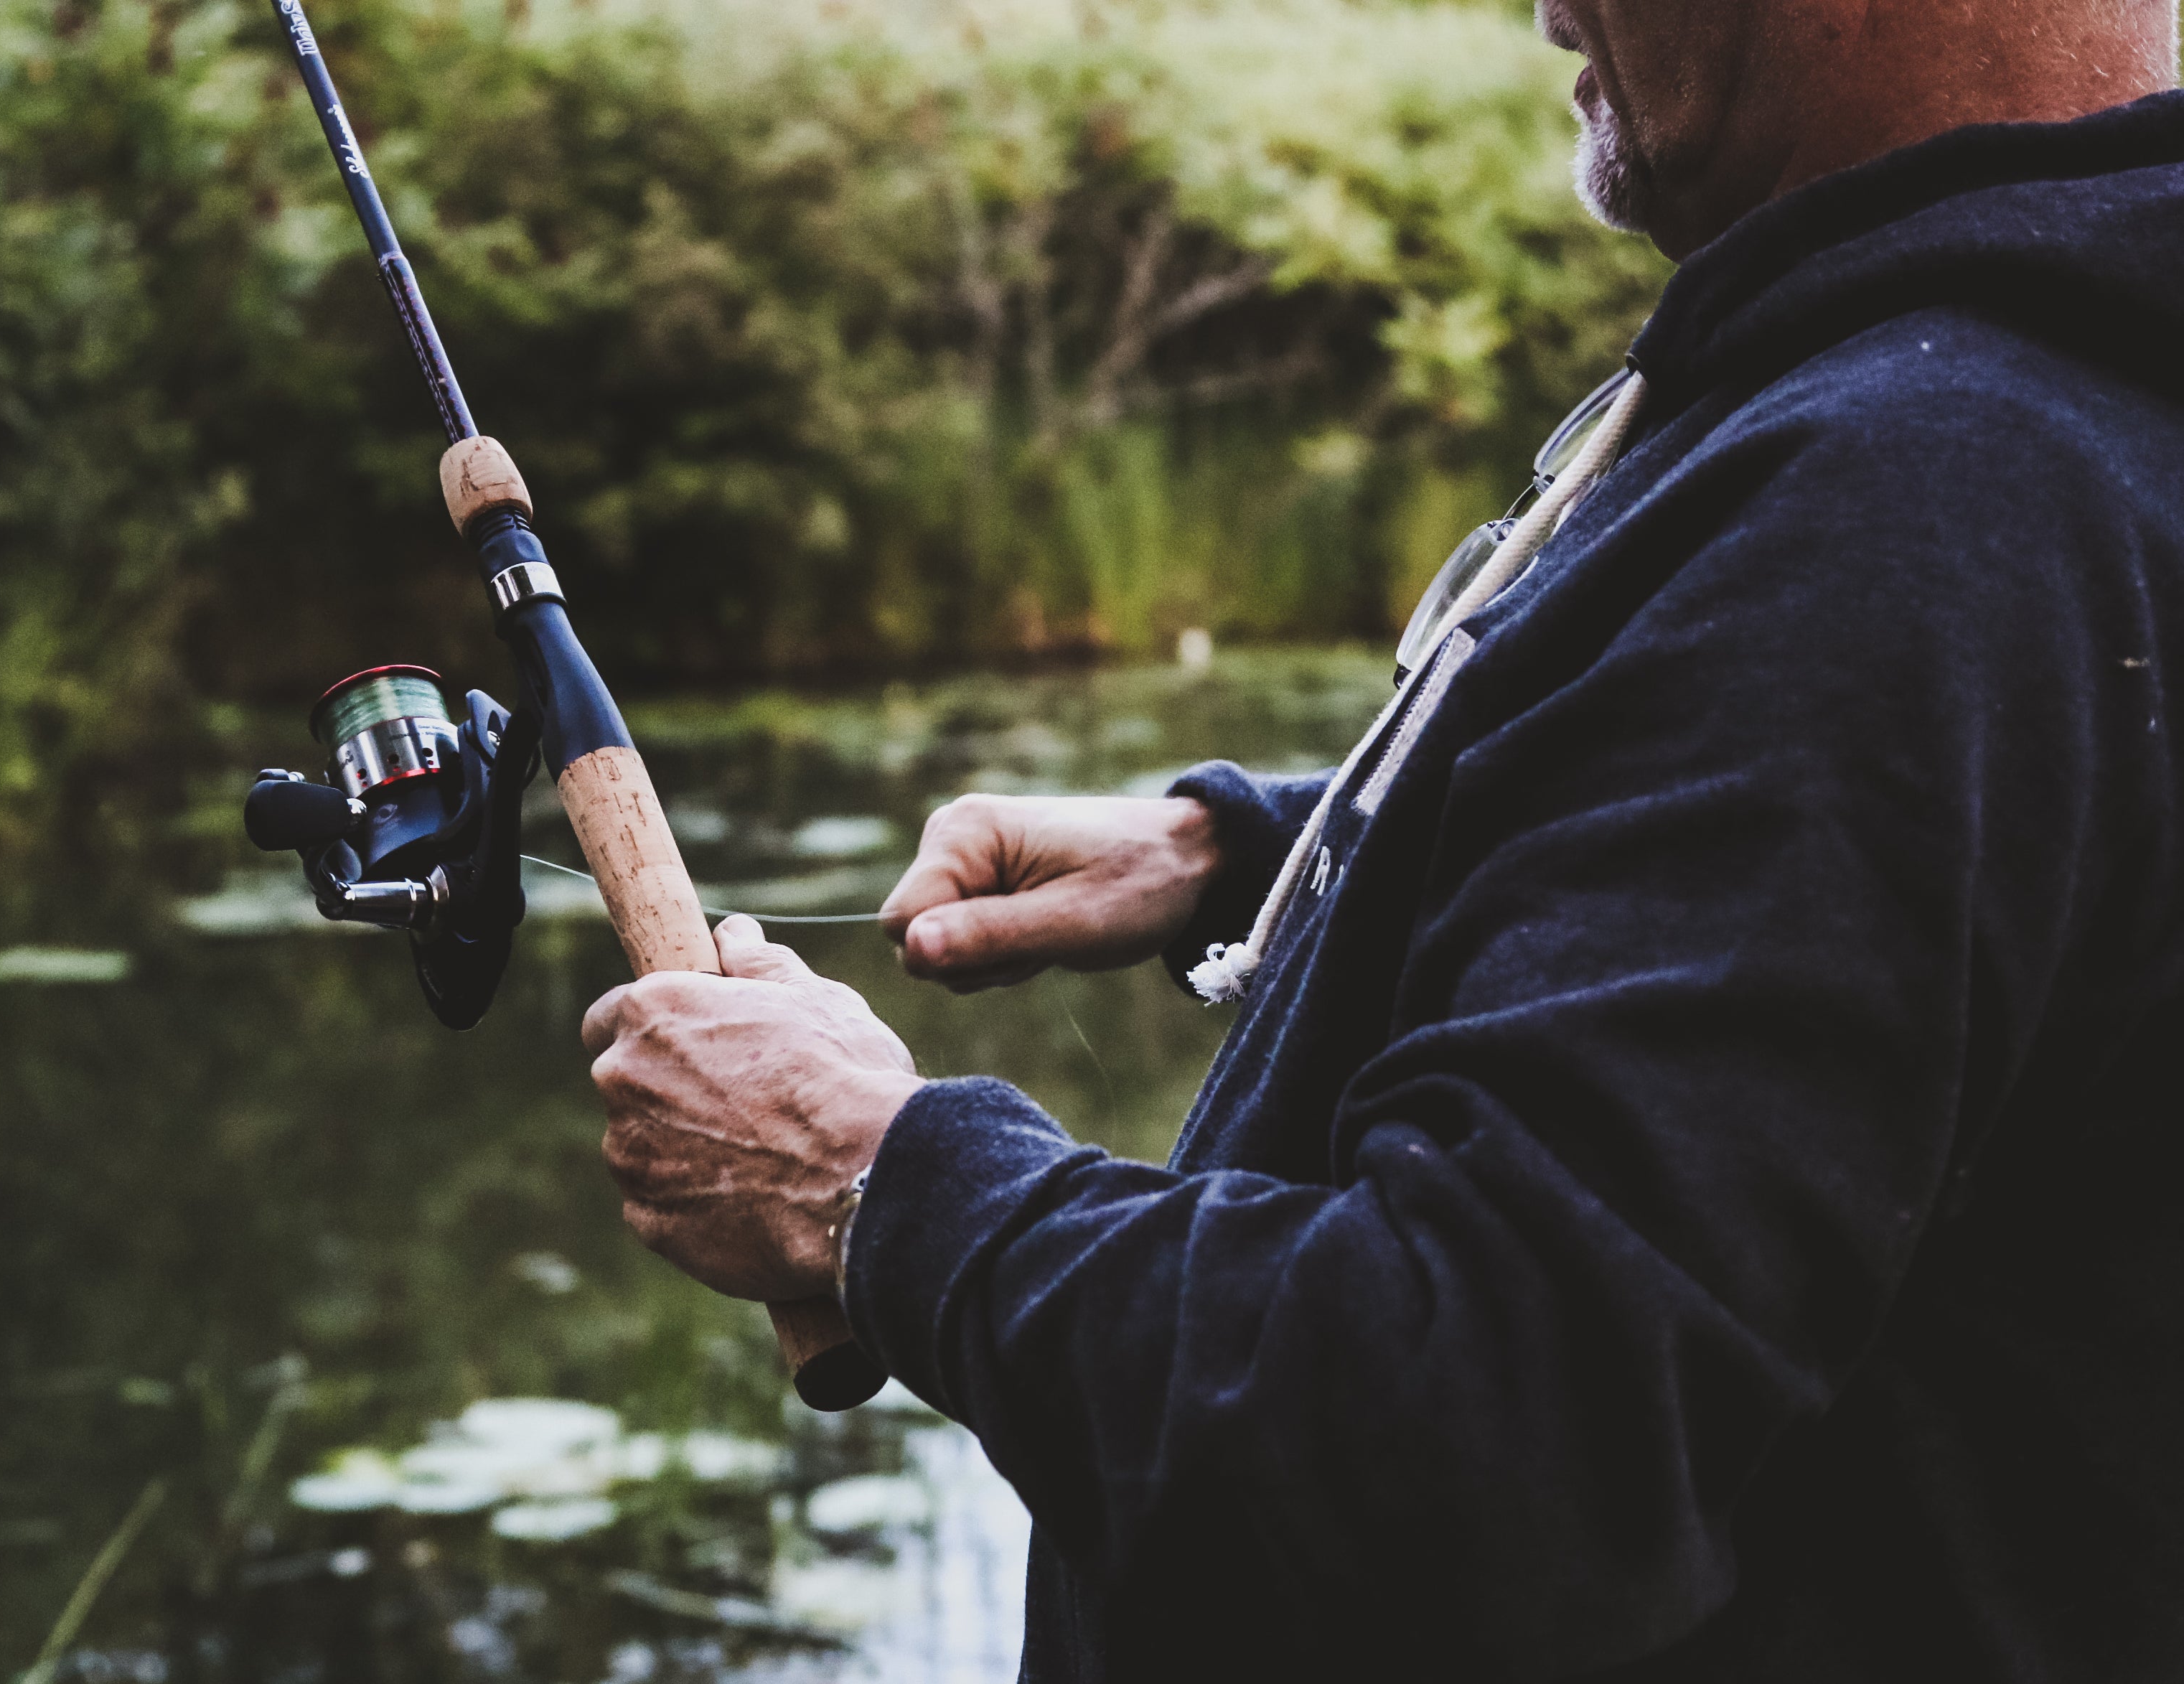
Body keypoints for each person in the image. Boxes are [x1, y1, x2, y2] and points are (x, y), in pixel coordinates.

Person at [579, 0, 2184, 1676]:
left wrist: (879, 1182)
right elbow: (1920, 910)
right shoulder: (2067, 407)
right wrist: (1285, 852)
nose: (1548, 6)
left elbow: (1465, 1440)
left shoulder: (1913, 491)